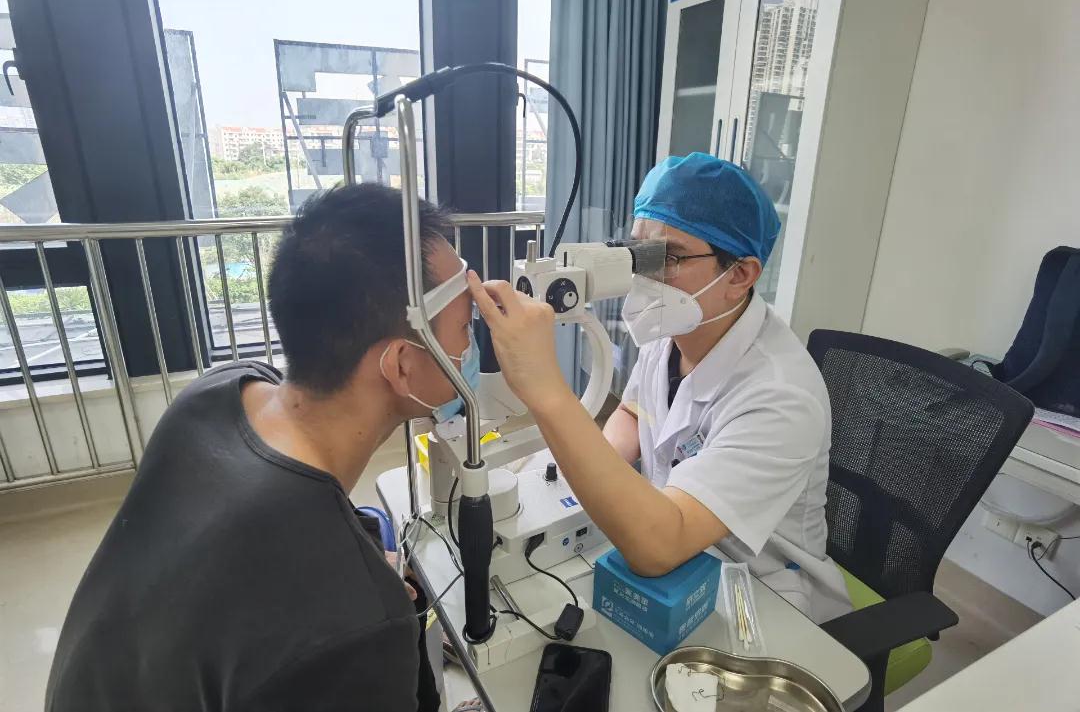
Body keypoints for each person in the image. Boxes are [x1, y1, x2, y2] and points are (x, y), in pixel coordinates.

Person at [46, 183, 480, 711]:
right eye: (466, 327)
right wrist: (356, 593)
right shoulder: (362, 624)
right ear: (401, 364)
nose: (471, 347)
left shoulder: (218, 392)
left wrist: (353, 575)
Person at [468, 153, 852, 623]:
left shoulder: (781, 396)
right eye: (638, 251)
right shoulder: (678, 325)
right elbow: (635, 412)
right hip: (671, 546)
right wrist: (592, 466)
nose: (645, 274)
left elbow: (658, 548)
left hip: (762, 596)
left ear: (739, 275)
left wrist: (548, 391)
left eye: (667, 257)